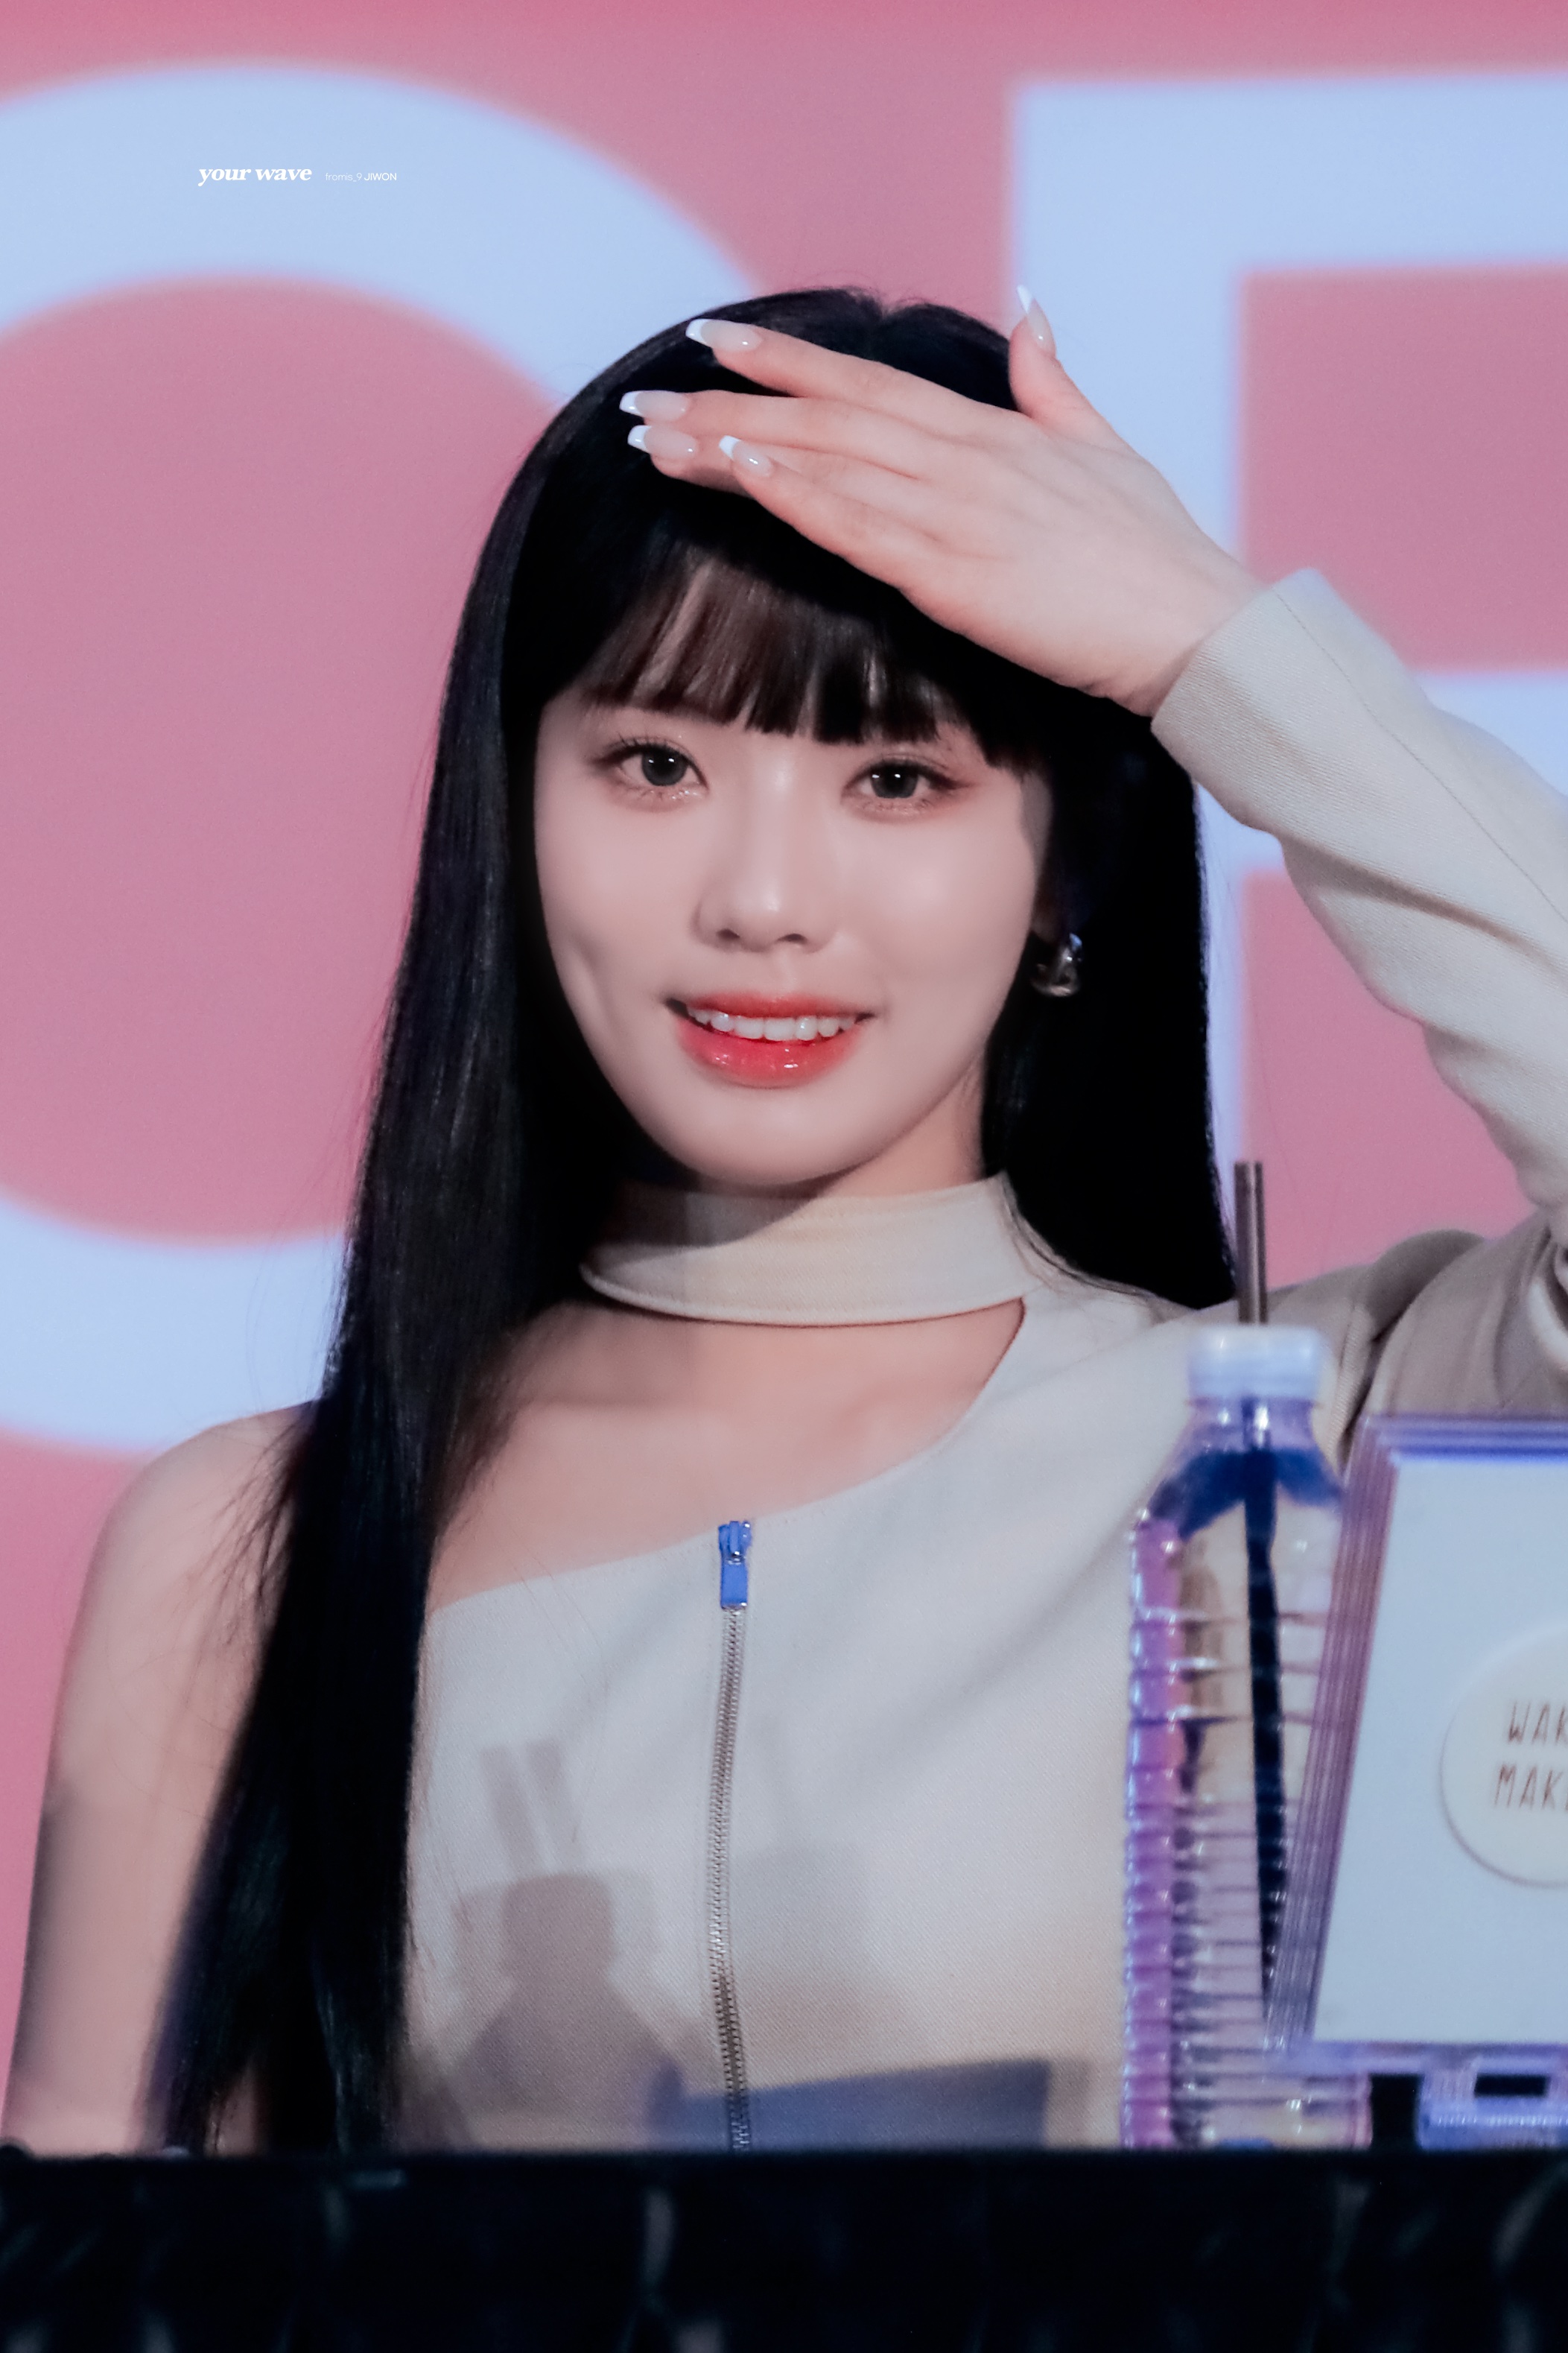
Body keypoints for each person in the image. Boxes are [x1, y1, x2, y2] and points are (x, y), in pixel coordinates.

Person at [6, 289, 1567, 2156]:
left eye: (898, 778)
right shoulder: (253, 1549)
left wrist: (1212, 648)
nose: (761, 900)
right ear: (515, 801)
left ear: (1065, 864)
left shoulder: (1310, 1450)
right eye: (655, 765)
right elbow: (102, 2273)